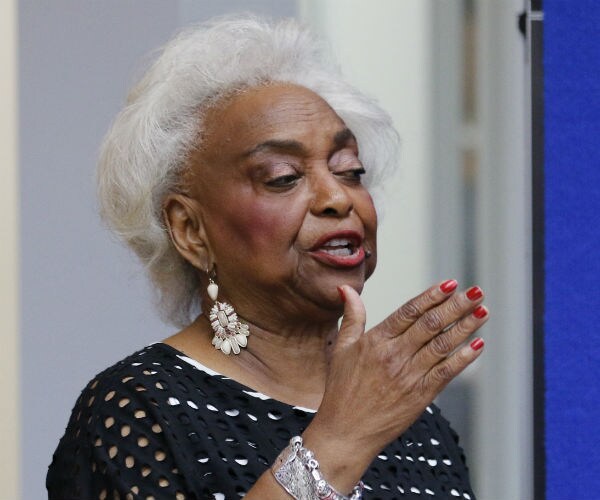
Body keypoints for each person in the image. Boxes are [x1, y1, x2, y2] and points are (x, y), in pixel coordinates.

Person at [47, 15, 487, 500]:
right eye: (283, 177)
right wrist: (339, 440)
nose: (336, 198)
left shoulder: (416, 424)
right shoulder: (138, 410)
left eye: (350, 170)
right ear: (191, 230)